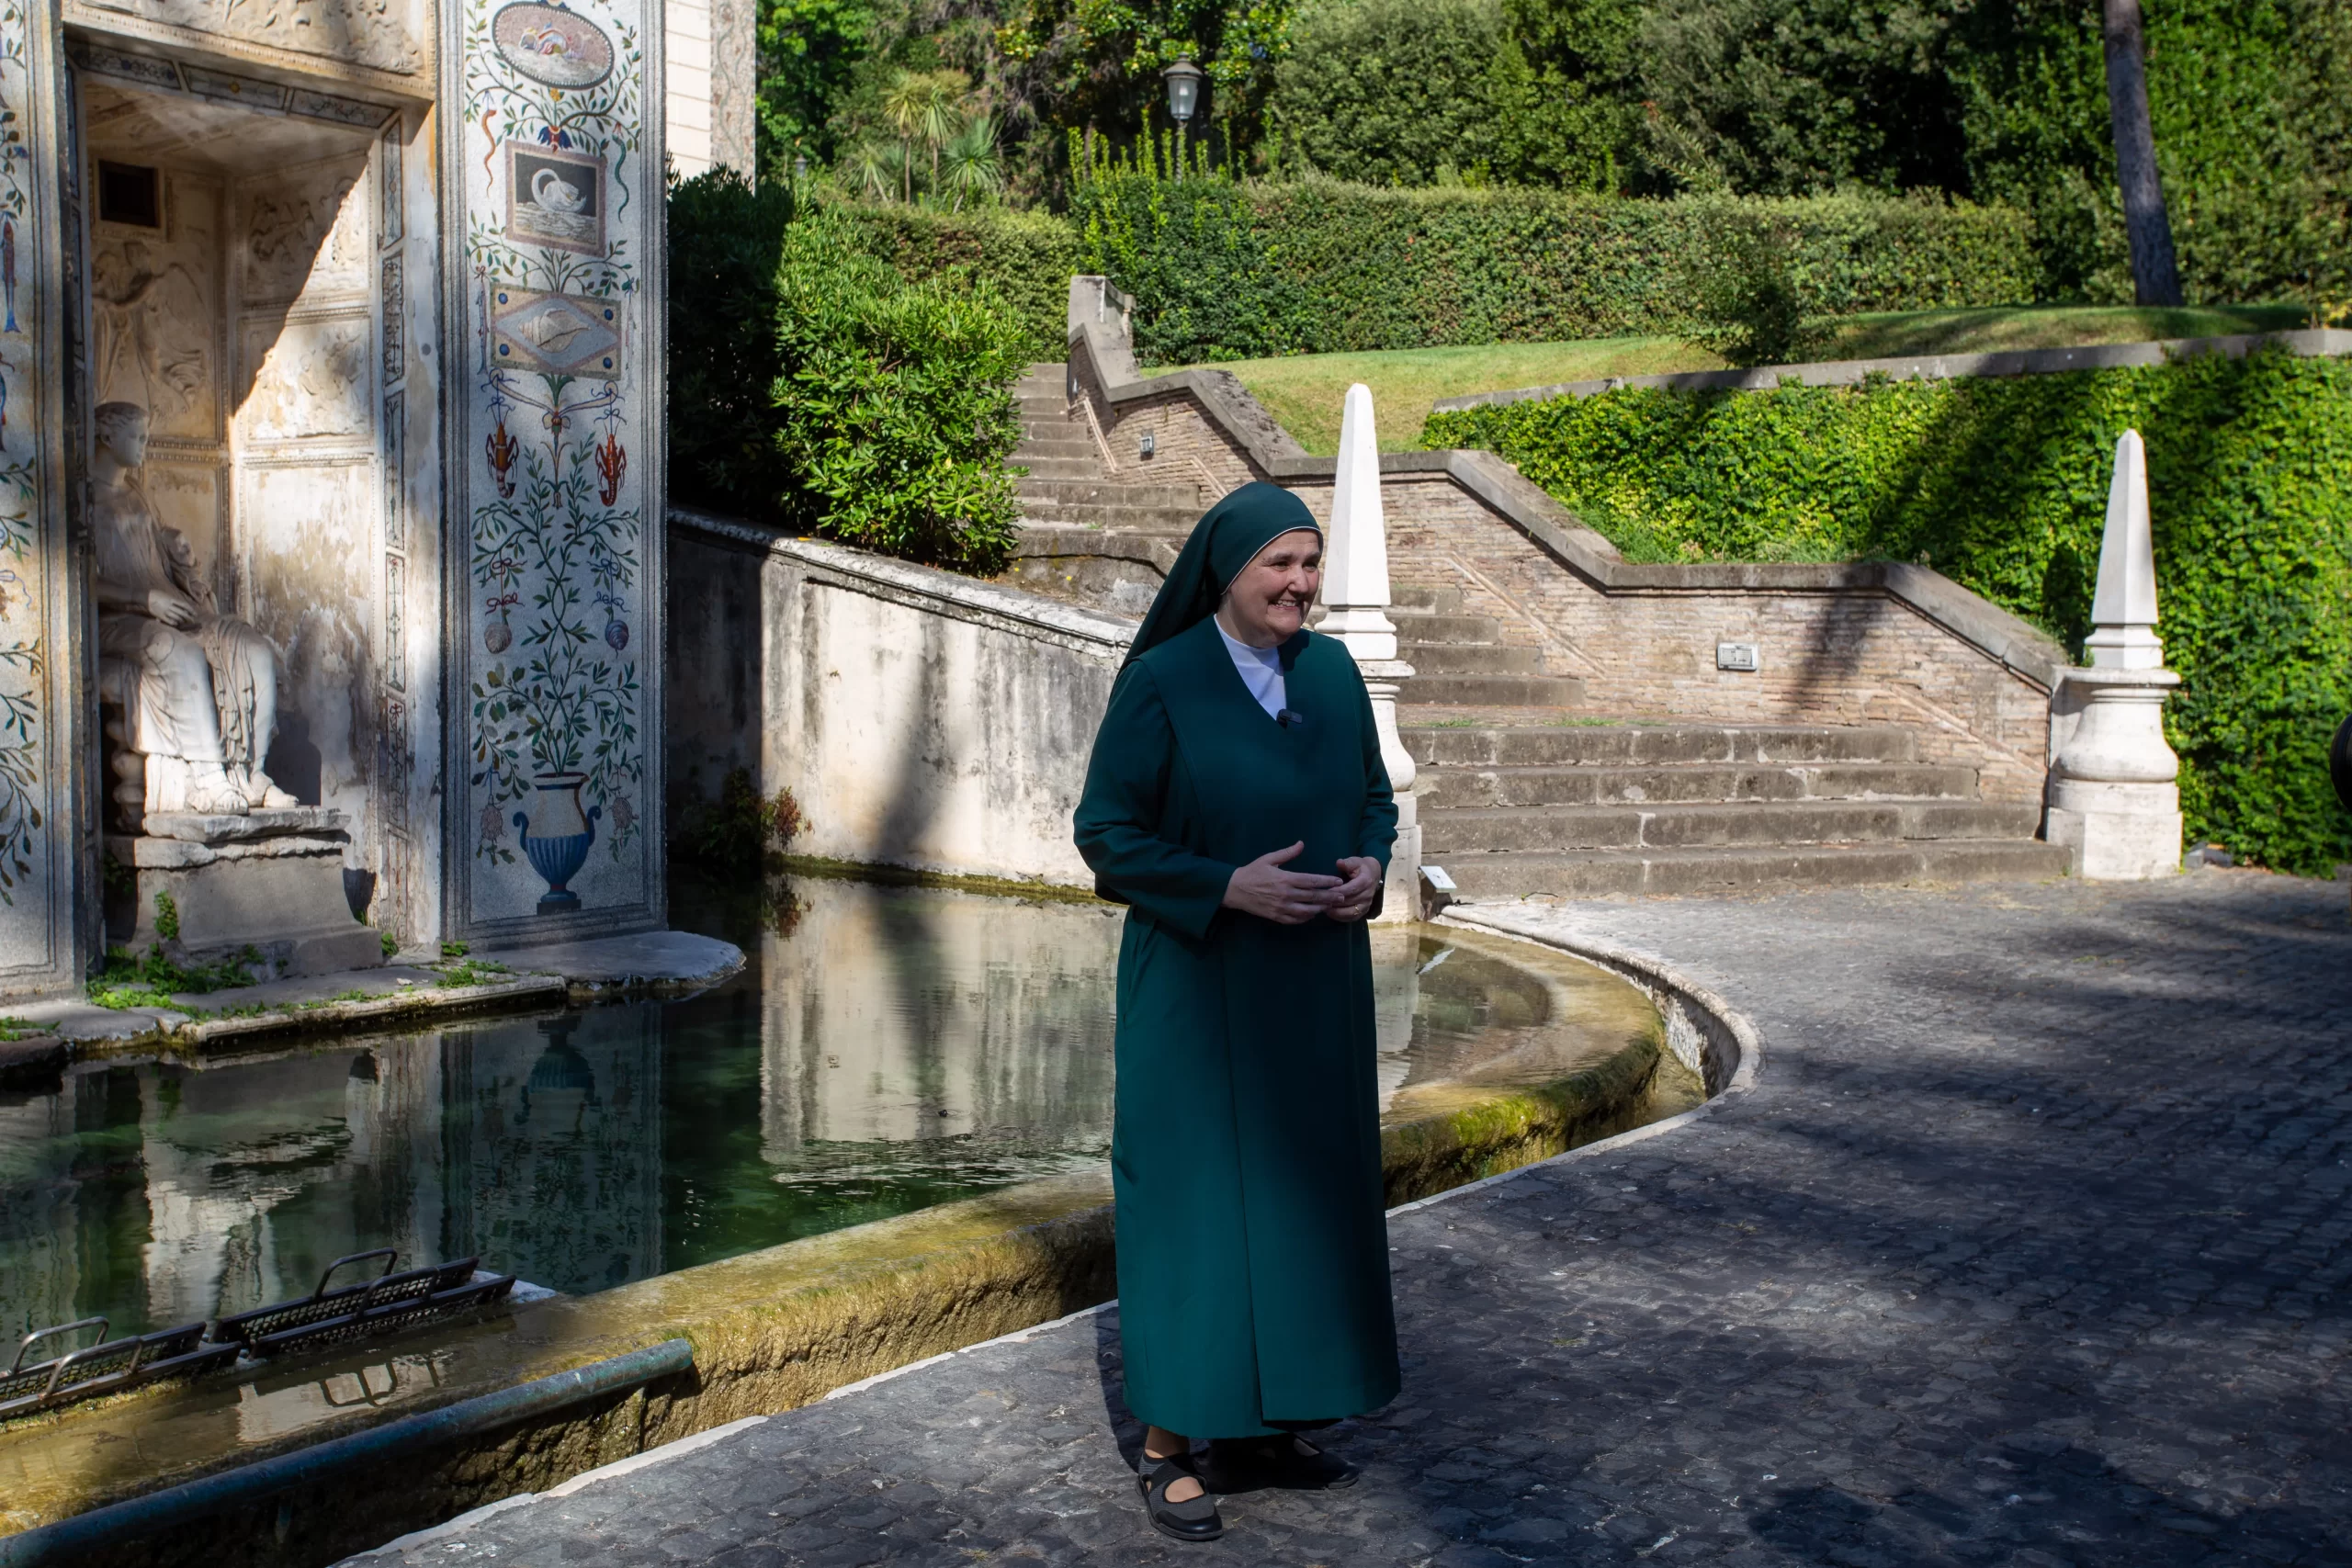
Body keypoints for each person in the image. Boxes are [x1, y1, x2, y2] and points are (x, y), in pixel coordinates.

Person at [1073, 482, 1401, 1543]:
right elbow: (1106, 833)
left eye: (1311, 565)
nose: (1301, 584)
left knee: (1308, 1199)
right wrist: (1224, 885)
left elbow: (1372, 797)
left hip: (1314, 990)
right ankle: (1169, 1446)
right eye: (1281, 565)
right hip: (1198, 989)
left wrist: (1370, 867)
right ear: (1226, 572)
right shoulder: (1164, 683)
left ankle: (1267, 1426)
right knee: (1196, 1204)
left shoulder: (1337, 673)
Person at [90, 400, 294, 816]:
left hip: (169, 605)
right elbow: (77, 579)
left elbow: (153, 553)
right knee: (176, 651)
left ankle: (253, 773)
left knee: (250, 646)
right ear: (107, 438)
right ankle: (208, 779)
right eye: (139, 437)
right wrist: (143, 600)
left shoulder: (135, 495)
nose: (146, 445)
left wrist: (175, 550)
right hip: (118, 621)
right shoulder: (81, 500)